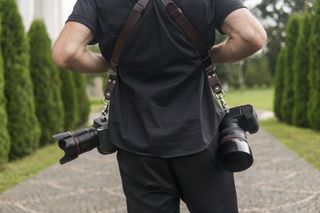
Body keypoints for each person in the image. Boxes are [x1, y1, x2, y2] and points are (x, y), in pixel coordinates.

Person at [52, 0, 266, 212]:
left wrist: (111, 64)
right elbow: (252, 37)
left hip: (137, 147)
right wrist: (206, 57)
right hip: (200, 136)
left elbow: (66, 53)